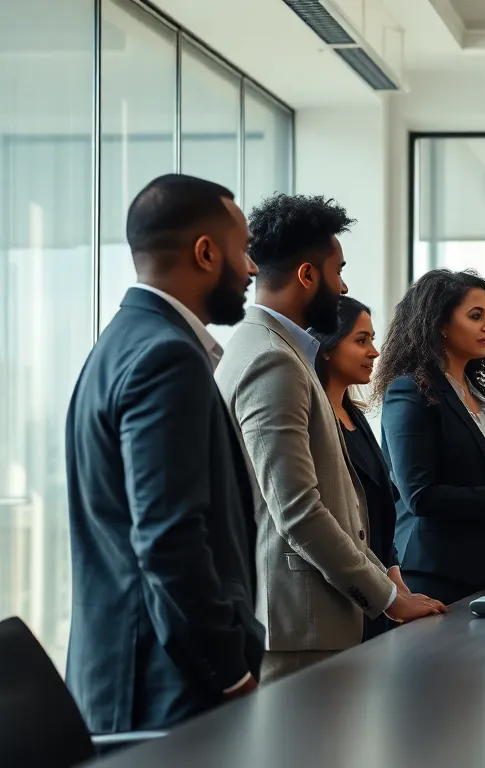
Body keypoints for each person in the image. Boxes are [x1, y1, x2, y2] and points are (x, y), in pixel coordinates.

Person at [216, 194, 443, 682]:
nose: (343, 286)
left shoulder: (268, 348)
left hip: (310, 620)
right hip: (300, 628)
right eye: (338, 271)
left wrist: (387, 582)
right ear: (307, 275)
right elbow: (297, 509)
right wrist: (388, 599)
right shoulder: (271, 359)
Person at [65, 174, 263, 732]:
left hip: (133, 676)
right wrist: (229, 671)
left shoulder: (117, 344)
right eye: (242, 250)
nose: (250, 268)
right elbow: (170, 540)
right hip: (165, 687)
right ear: (206, 253)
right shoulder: (166, 357)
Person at [373, 269, 485, 607]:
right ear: (440, 324)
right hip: (435, 578)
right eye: (476, 316)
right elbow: (420, 497)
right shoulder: (409, 392)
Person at [310, 296, 420, 640]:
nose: (374, 352)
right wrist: (387, 594)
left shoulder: (356, 416)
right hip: (339, 594)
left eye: (372, 340)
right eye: (361, 340)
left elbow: (379, 506)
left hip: (377, 592)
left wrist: (395, 580)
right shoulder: (315, 418)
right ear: (326, 347)